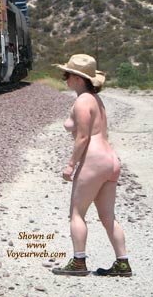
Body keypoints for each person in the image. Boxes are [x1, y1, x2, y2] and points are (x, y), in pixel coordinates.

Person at [50, 54, 132, 277]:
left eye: (67, 75)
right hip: (110, 160)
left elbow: (83, 137)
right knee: (108, 217)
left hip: (93, 161)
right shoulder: (97, 100)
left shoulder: (82, 101)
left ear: (78, 78)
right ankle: (122, 263)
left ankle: (79, 262)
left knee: (77, 213)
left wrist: (71, 165)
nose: (65, 79)